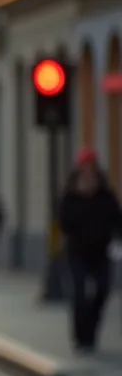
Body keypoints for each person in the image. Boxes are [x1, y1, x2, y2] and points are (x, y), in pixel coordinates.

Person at [58, 148, 122, 354]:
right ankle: (80, 337)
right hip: (77, 251)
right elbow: (63, 221)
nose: (87, 172)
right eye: (84, 168)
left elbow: (117, 219)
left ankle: (92, 332)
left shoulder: (105, 195)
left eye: (90, 167)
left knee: (102, 290)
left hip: (100, 251)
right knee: (79, 293)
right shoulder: (70, 194)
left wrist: (116, 239)